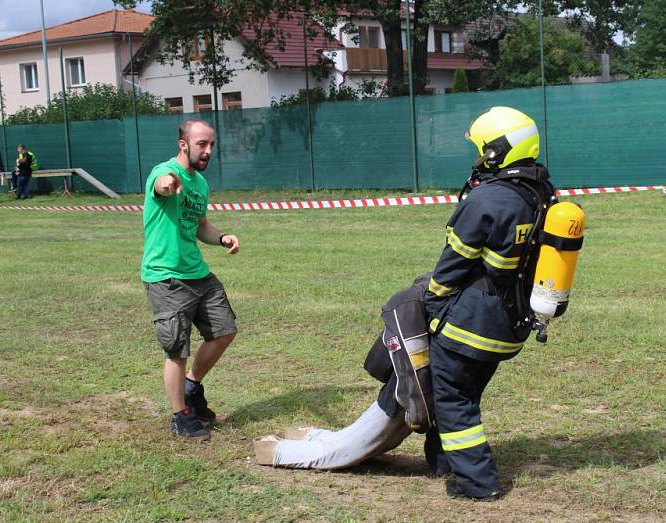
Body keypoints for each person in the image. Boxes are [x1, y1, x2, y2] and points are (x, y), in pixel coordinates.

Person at [422, 106, 557, 501]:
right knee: (463, 391)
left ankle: (478, 484)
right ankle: (444, 461)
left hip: (473, 321)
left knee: (453, 396)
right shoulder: (541, 191)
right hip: (512, 320)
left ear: (497, 151)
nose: (480, 157)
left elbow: (454, 262)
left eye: (483, 150)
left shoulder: (490, 199)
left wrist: (433, 299)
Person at [255, 274, 435, 469]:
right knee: (351, 445)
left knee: (371, 438)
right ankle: (276, 451)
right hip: (410, 381)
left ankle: (313, 436)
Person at [141, 119, 240, 441]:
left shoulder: (199, 184)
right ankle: (180, 415)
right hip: (166, 277)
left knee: (225, 331)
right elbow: (162, 184)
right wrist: (168, 184)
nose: (208, 150)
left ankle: (192, 386)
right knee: (177, 350)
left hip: (198, 273)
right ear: (183, 144)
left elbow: (200, 225)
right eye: (202, 144)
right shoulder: (165, 171)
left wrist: (222, 237)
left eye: (211, 145)